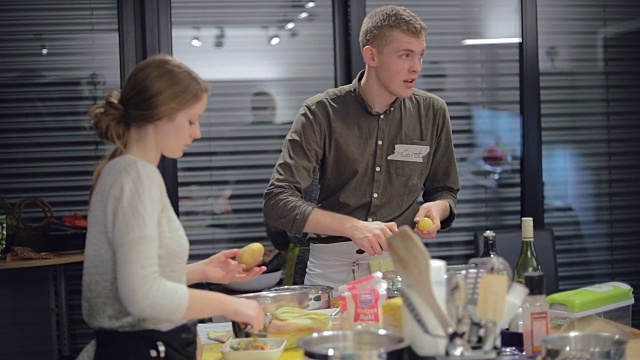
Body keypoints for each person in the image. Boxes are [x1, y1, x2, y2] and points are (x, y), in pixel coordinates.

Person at [78, 54, 266, 360]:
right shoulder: (134, 176)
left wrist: (203, 270)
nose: (197, 132)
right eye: (191, 120)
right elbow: (142, 297)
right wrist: (233, 305)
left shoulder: (129, 172)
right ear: (161, 114)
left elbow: (134, 278)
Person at [263, 5, 460, 291]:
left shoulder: (432, 112)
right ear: (372, 55)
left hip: (401, 266)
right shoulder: (321, 112)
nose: (416, 67)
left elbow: (445, 190)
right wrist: (352, 227)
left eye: (420, 55)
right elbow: (278, 201)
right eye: (405, 55)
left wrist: (438, 208)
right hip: (331, 271)